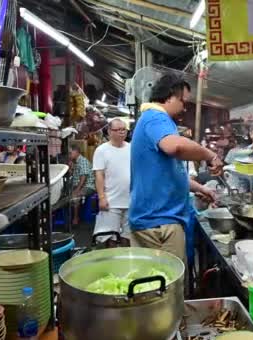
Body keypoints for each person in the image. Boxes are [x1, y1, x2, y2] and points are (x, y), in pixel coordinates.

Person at [129, 73, 223, 264]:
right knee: (165, 288)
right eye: (182, 100)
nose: (184, 106)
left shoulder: (153, 119)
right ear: (170, 96)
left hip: (157, 219)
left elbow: (170, 174)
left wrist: (201, 188)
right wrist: (209, 155)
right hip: (158, 221)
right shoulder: (156, 117)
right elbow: (176, 147)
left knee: (156, 285)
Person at [92, 119, 131, 244]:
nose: (121, 132)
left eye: (123, 129)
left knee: (128, 237)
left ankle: (127, 262)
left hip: (131, 201)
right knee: (109, 237)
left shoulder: (132, 148)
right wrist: (101, 197)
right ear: (109, 131)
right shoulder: (102, 150)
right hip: (111, 202)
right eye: (117, 130)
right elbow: (99, 175)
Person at [69, 145, 95, 225]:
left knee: (76, 196)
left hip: (88, 186)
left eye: (70, 153)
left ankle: (76, 218)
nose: (69, 155)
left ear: (76, 152)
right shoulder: (76, 162)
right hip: (78, 185)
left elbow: (84, 177)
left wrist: (77, 190)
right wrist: (70, 167)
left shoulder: (82, 161)